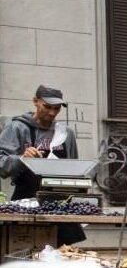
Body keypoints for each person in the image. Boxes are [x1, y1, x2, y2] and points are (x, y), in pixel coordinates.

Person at [0, 85, 85, 246]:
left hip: (60, 204)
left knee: (60, 257)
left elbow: (74, 170)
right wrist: (21, 158)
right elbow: (2, 165)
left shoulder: (66, 134)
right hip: (27, 201)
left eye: (57, 108)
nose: (52, 113)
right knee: (26, 251)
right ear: (35, 102)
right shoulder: (17, 128)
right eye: (47, 107)